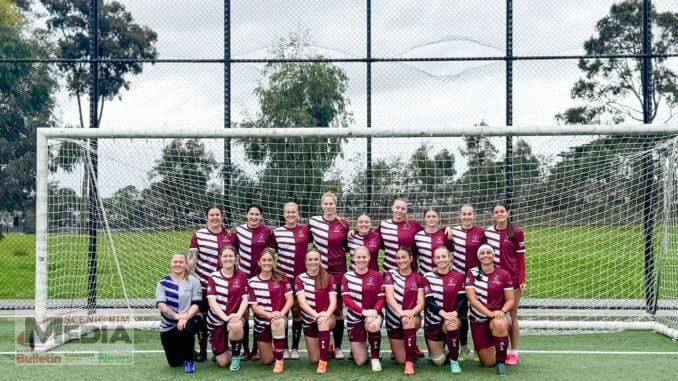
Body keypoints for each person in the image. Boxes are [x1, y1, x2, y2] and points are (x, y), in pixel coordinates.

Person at [188, 205, 238, 362]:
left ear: (222, 217)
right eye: (212, 215)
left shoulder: (230, 235)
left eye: (218, 215)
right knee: (203, 319)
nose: (215, 217)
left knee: (223, 317)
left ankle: (223, 349)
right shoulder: (199, 234)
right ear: (206, 217)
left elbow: (235, 258)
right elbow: (193, 258)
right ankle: (203, 352)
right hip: (203, 285)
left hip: (224, 288)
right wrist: (185, 268)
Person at [309, 192, 350, 359]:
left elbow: (348, 245)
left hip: (339, 271)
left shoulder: (343, 223)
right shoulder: (313, 222)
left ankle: (338, 347)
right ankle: (324, 344)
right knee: (322, 307)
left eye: (331, 204)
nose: (328, 207)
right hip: (320, 273)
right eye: (325, 204)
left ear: (335, 205)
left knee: (338, 310)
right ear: (321, 205)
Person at [485, 201, 525, 365]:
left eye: (502, 211)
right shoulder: (487, 233)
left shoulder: (516, 232)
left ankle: (514, 352)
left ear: (508, 213)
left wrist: (522, 279)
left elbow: (521, 258)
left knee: (512, 318)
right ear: (493, 215)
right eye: (497, 212)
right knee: (496, 316)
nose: (500, 214)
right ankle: (496, 349)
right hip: (493, 282)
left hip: (512, 282)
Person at [465, 244, 515, 376]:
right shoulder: (472, 273)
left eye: (489, 252)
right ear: (478, 257)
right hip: (479, 318)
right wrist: (489, 313)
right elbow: (472, 299)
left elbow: (510, 300)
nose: (486, 255)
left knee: (500, 323)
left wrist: (502, 312)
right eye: (482, 253)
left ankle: (501, 363)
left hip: (498, 316)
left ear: (493, 255)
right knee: (487, 363)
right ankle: (497, 347)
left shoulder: (503, 274)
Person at [271, 201, 311, 359]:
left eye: (293, 212)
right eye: (288, 212)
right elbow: (270, 254)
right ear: (283, 214)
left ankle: (294, 347)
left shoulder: (306, 230)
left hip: (301, 278)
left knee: (297, 311)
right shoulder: (277, 232)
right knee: (284, 312)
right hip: (283, 278)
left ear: (298, 214)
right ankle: (284, 348)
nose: (291, 215)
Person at [448, 204, 486, 360]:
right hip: (459, 279)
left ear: (474, 215)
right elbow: (447, 249)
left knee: (481, 312)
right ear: (460, 215)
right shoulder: (452, 232)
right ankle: (463, 347)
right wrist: (448, 229)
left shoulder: (481, 233)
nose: (467, 216)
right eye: (464, 214)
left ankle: (481, 347)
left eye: (469, 214)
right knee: (462, 315)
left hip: (478, 278)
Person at [236, 204, 274, 361]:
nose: (254, 217)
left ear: (261, 216)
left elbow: (270, 255)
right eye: (251, 214)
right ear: (246, 215)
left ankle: (256, 349)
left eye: (257, 214)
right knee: (244, 313)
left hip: (261, 278)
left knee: (260, 313)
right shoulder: (238, 231)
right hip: (243, 278)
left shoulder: (267, 231)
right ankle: (245, 350)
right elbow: (231, 252)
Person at [248, 248, 294, 374]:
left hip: (278, 318)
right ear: (259, 262)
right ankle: (274, 348)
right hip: (262, 322)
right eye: (264, 260)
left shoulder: (281, 277)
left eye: (270, 260)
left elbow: (290, 299)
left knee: (277, 322)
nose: (267, 263)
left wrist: (281, 313)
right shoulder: (252, 282)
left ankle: (279, 361)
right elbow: (254, 307)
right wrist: (269, 314)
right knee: (266, 361)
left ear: (274, 262)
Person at [423, 247, 467, 374]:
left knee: (452, 324)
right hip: (434, 320)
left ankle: (454, 360)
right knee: (439, 361)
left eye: (444, 256)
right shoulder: (427, 277)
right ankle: (446, 351)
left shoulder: (458, 276)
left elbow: (462, 299)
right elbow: (429, 300)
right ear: (434, 260)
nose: (441, 259)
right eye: (438, 257)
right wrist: (443, 313)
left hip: (451, 317)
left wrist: (454, 313)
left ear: (450, 258)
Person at [156, 253, 202, 373]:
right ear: (170, 264)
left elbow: (196, 305)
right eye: (175, 262)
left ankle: (189, 361)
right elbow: (162, 305)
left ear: (186, 264)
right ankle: (189, 351)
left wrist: (185, 317)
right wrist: (177, 316)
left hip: (191, 319)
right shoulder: (162, 282)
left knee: (186, 328)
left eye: (181, 262)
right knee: (174, 363)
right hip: (169, 325)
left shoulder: (194, 281)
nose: (178, 264)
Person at [341, 246, 385, 371]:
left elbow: (381, 299)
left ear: (369, 258)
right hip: (355, 317)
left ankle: (375, 357)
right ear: (353, 258)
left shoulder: (377, 276)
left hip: (372, 315)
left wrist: (375, 311)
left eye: (364, 257)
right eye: (358, 257)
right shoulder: (347, 277)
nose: (361, 260)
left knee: (373, 325)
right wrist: (363, 311)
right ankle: (365, 344)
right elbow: (347, 300)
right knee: (360, 361)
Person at [206, 245, 249, 371]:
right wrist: (225, 318)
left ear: (236, 258)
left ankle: (236, 357)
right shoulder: (213, 277)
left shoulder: (242, 276)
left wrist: (238, 315)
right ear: (220, 259)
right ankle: (225, 349)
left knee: (236, 326)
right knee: (223, 362)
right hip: (217, 319)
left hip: (234, 317)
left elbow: (245, 299)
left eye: (231, 256)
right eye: (225, 256)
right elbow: (212, 302)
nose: (228, 258)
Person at [384, 246, 425, 375]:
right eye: (398, 258)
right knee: (399, 359)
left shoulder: (418, 277)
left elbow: (421, 303)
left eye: (404, 257)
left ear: (411, 258)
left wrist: (410, 313)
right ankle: (412, 348)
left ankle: (409, 363)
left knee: (408, 322)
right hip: (394, 318)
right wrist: (401, 312)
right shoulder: (390, 275)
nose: (401, 260)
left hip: (412, 316)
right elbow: (389, 297)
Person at [295, 249, 338, 374]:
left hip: (327, 318)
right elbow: (302, 303)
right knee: (314, 359)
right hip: (310, 320)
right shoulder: (300, 278)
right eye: (310, 259)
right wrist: (316, 315)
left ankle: (323, 363)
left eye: (316, 259)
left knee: (322, 323)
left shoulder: (329, 277)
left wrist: (325, 315)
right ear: (305, 262)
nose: (313, 262)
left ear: (320, 261)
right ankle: (327, 348)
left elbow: (334, 302)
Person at [379, 198, 423, 272]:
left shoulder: (413, 225)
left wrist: (445, 229)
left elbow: (429, 233)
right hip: (389, 270)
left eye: (403, 209)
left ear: (406, 211)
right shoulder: (384, 224)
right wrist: (354, 231)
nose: (399, 211)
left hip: (409, 271)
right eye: (397, 207)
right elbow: (371, 236)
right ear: (392, 208)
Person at [413, 208, 450, 275]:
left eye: (434, 216)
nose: (431, 218)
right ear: (424, 219)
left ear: (438, 218)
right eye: (428, 216)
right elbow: (415, 255)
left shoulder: (444, 234)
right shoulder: (417, 236)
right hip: (423, 275)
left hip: (441, 275)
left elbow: (450, 256)